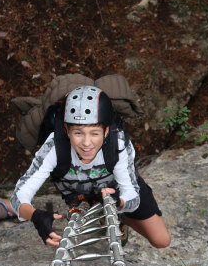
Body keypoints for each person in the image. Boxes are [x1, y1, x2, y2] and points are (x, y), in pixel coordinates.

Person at [10, 85, 171, 248]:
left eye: (94, 133)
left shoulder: (118, 143)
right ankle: (100, 209)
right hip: (82, 192)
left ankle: (115, 216)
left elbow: (132, 194)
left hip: (117, 191)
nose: (86, 143)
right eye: (78, 133)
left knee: (161, 241)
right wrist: (35, 215)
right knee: (100, 203)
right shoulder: (54, 146)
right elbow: (20, 194)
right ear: (66, 130)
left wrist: (117, 203)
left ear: (106, 131)